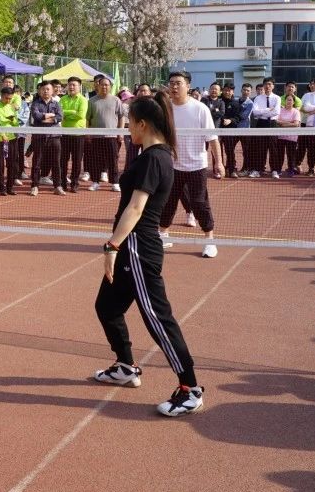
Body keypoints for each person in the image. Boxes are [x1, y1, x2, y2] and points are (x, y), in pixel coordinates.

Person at [93, 91, 204, 417]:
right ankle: (125, 366)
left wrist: (112, 246)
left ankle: (190, 389)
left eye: (129, 123)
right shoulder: (153, 155)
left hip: (138, 249)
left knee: (157, 318)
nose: (127, 128)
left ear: (142, 124)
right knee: (107, 307)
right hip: (131, 247)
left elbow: (136, 208)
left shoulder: (155, 158)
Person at [157, 72, 221, 258]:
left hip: (196, 166)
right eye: (171, 83)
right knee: (167, 202)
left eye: (178, 83)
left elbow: (212, 138)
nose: (174, 87)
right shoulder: (165, 109)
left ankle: (209, 240)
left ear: (188, 86)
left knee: (199, 203)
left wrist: (219, 162)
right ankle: (163, 235)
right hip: (172, 166)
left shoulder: (200, 108)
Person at [87, 75, 126, 191]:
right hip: (96, 136)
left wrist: (120, 132)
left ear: (110, 87)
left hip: (112, 136)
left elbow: (121, 117)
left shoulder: (116, 100)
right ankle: (95, 182)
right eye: (102, 85)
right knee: (95, 160)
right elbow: (87, 119)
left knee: (113, 160)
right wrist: (88, 133)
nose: (104, 87)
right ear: (98, 86)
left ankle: (115, 182)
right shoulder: (92, 101)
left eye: (106, 85)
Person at [28, 81, 64, 196]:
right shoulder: (35, 104)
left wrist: (47, 119)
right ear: (40, 91)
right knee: (37, 163)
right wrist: (49, 115)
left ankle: (57, 186)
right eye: (43, 89)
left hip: (54, 137)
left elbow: (60, 116)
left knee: (56, 163)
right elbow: (36, 116)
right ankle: (34, 186)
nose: (46, 91)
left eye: (48, 89)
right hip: (39, 137)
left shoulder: (56, 104)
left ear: (52, 91)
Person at [0, 86, 22, 196]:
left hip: (12, 139)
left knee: (12, 163)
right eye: (6, 98)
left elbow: (15, 122)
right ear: (1, 96)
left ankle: (10, 187)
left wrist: (15, 129)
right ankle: (1, 187)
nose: (8, 100)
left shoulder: (11, 107)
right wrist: (2, 134)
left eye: (10, 98)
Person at [59, 76, 89, 192]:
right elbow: (59, 113)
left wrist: (66, 115)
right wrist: (72, 112)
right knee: (63, 160)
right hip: (65, 134)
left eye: (74, 85)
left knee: (77, 161)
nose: (71, 87)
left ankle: (74, 183)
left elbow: (81, 115)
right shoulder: (63, 99)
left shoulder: (83, 100)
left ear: (79, 87)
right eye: (70, 85)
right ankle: (62, 183)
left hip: (78, 135)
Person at [248, 78, 281, 178]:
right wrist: (268, 109)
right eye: (266, 84)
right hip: (261, 123)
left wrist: (262, 112)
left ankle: (274, 170)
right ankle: (258, 169)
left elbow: (276, 112)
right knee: (260, 148)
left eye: (270, 84)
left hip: (272, 123)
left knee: (273, 148)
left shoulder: (277, 98)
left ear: (273, 86)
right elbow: (255, 112)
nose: (267, 86)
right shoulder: (258, 98)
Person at [275, 94, 301, 177]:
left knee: (291, 155)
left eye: (291, 100)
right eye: (287, 100)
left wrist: (283, 124)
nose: (289, 101)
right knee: (280, 154)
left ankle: (291, 170)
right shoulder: (280, 110)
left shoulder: (296, 111)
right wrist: (290, 123)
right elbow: (277, 121)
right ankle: (278, 170)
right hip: (281, 136)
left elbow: (296, 124)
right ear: (285, 101)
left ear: (293, 102)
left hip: (292, 137)